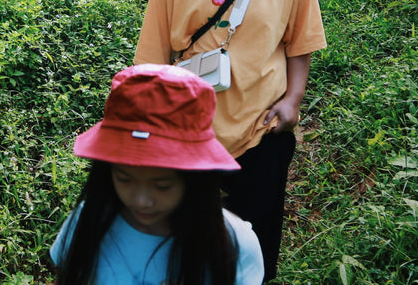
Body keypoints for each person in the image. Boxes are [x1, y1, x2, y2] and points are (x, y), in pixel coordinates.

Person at [134, 0, 326, 280]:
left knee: (255, 238)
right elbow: (153, 46)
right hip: (186, 126)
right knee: (183, 234)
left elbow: (300, 43)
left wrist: (293, 100)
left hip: (261, 126)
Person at [51, 63, 263, 285]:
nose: (142, 200)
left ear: (195, 180)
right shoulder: (88, 221)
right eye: (124, 179)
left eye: (162, 186)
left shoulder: (233, 243)